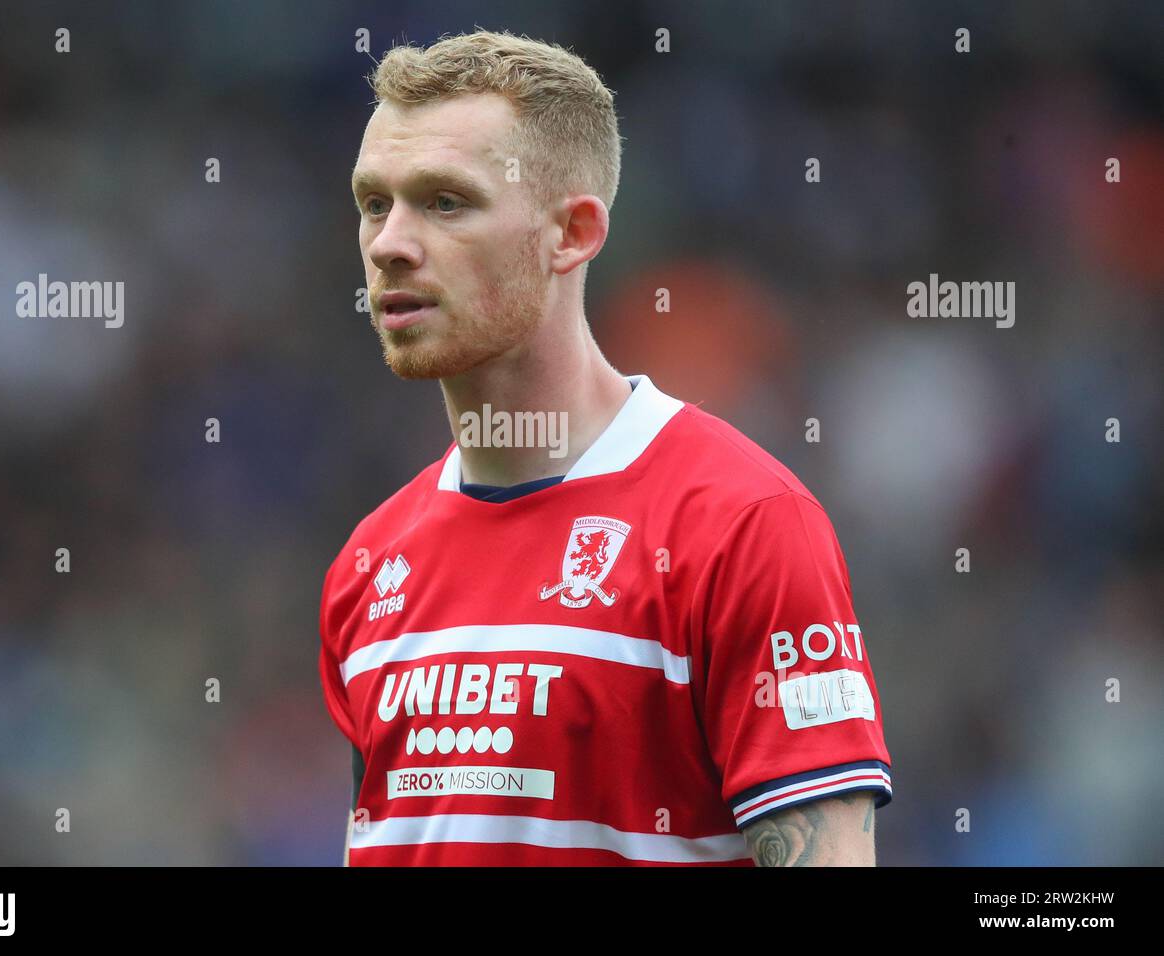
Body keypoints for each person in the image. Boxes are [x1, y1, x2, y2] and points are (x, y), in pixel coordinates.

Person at [320, 29, 891, 866]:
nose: (389, 243)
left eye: (446, 202)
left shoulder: (740, 525)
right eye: (376, 202)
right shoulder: (369, 564)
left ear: (573, 234)